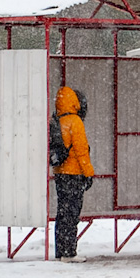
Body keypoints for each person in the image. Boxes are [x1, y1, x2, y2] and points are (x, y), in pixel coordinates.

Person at [52, 86, 94, 262]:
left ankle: (61, 251)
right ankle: (70, 253)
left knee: (62, 213)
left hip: (60, 173)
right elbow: (81, 150)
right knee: (72, 214)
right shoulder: (75, 121)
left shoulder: (58, 120)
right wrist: (89, 173)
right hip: (74, 174)